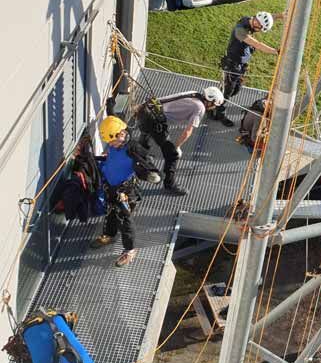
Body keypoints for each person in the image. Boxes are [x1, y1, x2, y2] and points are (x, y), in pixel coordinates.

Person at [91, 116, 161, 267]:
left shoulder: (132, 148)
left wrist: (152, 174)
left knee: (125, 220)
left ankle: (130, 250)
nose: (110, 144)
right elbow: (111, 158)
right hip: (111, 186)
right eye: (109, 142)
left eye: (112, 141)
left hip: (125, 192)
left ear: (121, 134)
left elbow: (147, 161)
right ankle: (109, 234)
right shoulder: (114, 142)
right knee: (110, 212)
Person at [134, 86, 225, 196]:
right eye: (214, 105)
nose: (213, 108)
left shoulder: (194, 93)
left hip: (147, 109)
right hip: (154, 119)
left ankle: (141, 155)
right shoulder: (200, 108)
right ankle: (170, 185)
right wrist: (177, 147)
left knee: (147, 132)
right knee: (172, 155)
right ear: (210, 101)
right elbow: (188, 131)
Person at [215, 12, 285, 127]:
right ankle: (218, 113)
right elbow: (257, 44)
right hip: (233, 65)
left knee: (236, 90)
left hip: (240, 65)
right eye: (260, 29)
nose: (259, 30)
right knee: (227, 92)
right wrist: (276, 52)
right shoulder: (240, 31)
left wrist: (279, 15)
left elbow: (265, 18)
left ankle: (217, 100)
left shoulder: (250, 20)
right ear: (257, 24)